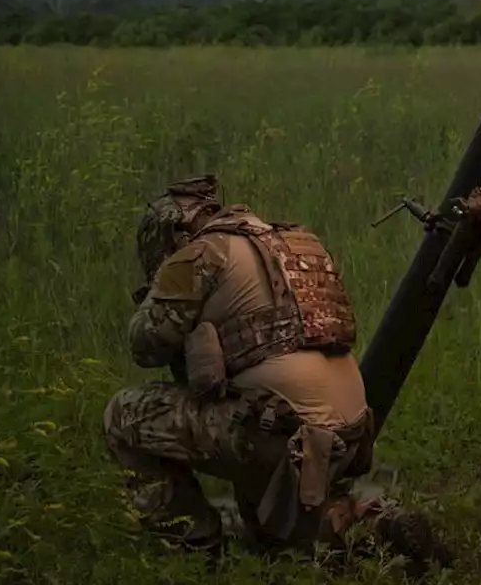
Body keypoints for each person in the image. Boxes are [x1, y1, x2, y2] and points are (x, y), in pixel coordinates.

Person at [102, 175, 450, 572]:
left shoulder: (198, 254)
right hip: (349, 429)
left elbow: (145, 345)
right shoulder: (296, 241)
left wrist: (156, 291)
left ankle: (192, 551)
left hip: (279, 431)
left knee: (124, 415)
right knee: (273, 538)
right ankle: (375, 523)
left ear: (173, 234)